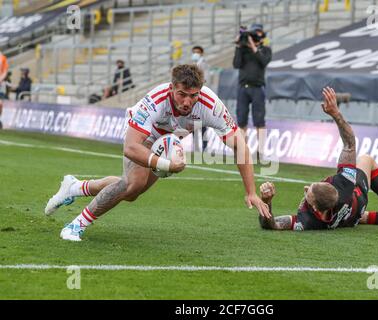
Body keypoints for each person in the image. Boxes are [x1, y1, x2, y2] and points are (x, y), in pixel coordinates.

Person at [45, 64, 270, 241]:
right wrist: (166, 165)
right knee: (131, 184)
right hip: (145, 136)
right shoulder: (155, 100)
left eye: (193, 96)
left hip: (168, 140)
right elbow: (131, 147)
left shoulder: (210, 104)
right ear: (172, 88)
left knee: (133, 193)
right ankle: (77, 224)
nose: (187, 101)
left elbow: (240, 146)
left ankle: (75, 187)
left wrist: (250, 192)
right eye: (182, 94)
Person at [258, 87, 378, 232]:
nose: (305, 188)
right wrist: (336, 114)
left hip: (350, 217)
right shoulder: (343, 184)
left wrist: (267, 203)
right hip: (356, 203)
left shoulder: (309, 221)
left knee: (358, 217)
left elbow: (271, 225)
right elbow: (350, 143)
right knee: (366, 160)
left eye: (308, 192)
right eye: (310, 190)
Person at [233, 23, 272, 162]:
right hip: (243, 88)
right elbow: (236, 64)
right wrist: (239, 45)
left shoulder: (265, 50)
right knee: (241, 120)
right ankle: (243, 151)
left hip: (257, 88)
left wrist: (254, 47)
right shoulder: (243, 51)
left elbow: (263, 61)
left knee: (259, 120)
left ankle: (260, 152)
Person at [191, 45, 210, 151]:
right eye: (194, 52)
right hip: (193, 96)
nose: (195, 54)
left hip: (202, 96)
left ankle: (205, 145)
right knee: (193, 122)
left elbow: (205, 80)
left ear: (201, 53)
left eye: (197, 52)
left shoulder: (204, 65)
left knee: (203, 123)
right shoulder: (193, 65)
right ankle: (196, 145)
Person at [0, 51, 9, 129]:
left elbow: (5, 72)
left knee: (0, 103)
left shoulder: (2, 58)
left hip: (0, 85)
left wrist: (0, 79)